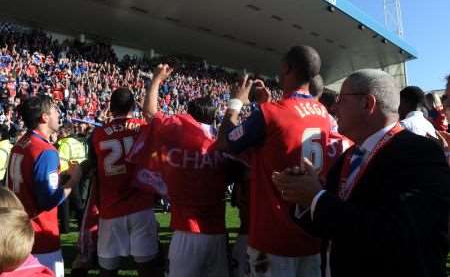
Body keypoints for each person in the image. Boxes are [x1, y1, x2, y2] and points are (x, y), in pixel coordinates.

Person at [272, 69, 450, 277]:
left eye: (341, 99)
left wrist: (318, 197)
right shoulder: (348, 157)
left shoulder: (420, 153)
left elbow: (397, 236)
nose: (334, 107)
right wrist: (303, 196)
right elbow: (330, 224)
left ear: (367, 104)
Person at [217, 45, 331, 277]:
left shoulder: (271, 113)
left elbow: (225, 142)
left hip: (273, 238)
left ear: (288, 68)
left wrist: (236, 102)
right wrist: (263, 106)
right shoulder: (324, 115)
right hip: (310, 236)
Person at [129, 64, 230, 277]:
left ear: (190, 115)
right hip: (218, 232)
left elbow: (150, 113)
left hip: (186, 229)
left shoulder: (179, 131)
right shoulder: (222, 142)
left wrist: (156, 79)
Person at [7, 95, 82, 277]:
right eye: (55, 110)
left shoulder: (20, 144)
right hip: (41, 235)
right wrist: (73, 179)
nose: (59, 115)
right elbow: (48, 200)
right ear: (44, 117)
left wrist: (60, 177)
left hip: (20, 233)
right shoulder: (45, 150)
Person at [90, 87, 162, 277]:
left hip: (111, 207)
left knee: (108, 268)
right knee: (147, 267)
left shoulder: (98, 133)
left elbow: (95, 170)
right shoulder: (144, 128)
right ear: (133, 105)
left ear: (111, 107)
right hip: (141, 205)